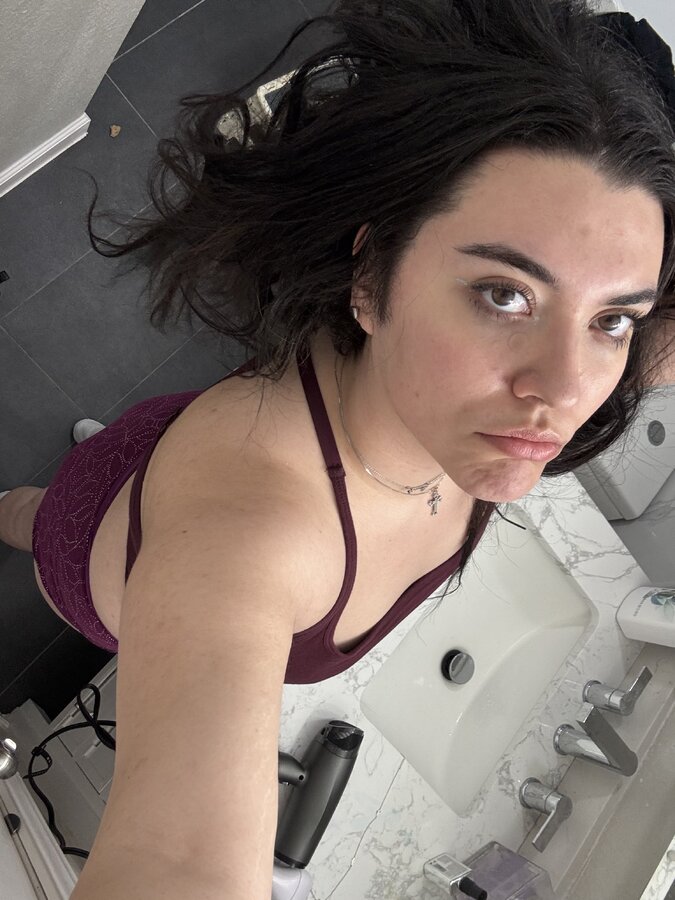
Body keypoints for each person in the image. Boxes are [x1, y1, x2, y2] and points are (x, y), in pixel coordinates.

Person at [1, 0, 675, 897]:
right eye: (504, 294)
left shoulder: (463, 405)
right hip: (100, 551)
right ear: (370, 273)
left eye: (612, 319)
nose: (563, 389)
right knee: (41, 515)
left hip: (177, 460)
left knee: (131, 470)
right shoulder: (248, 541)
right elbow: (177, 864)